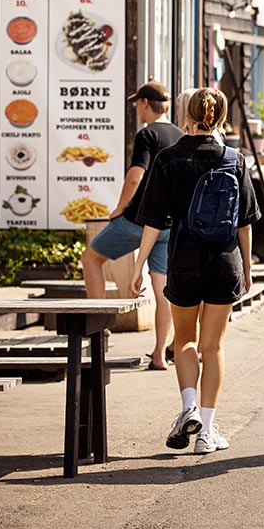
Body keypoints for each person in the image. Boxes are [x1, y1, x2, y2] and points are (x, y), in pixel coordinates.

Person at [129, 88, 261, 454]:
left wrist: (138, 267)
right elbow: (245, 224)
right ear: (219, 119)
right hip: (224, 259)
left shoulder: (168, 158)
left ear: (187, 116)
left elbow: (153, 220)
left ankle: (187, 407)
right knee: (213, 345)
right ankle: (206, 430)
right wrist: (247, 270)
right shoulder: (236, 160)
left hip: (183, 259)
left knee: (184, 341)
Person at [80, 81, 184, 371]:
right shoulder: (178, 134)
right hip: (169, 225)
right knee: (163, 289)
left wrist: (120, 207)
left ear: (145, 104)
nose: (137, 109)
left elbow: (135, 176)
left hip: (139, 220)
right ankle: (160, 354)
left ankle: (100, 329)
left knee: (90, 258)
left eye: (138, 103)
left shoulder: (147, 134)